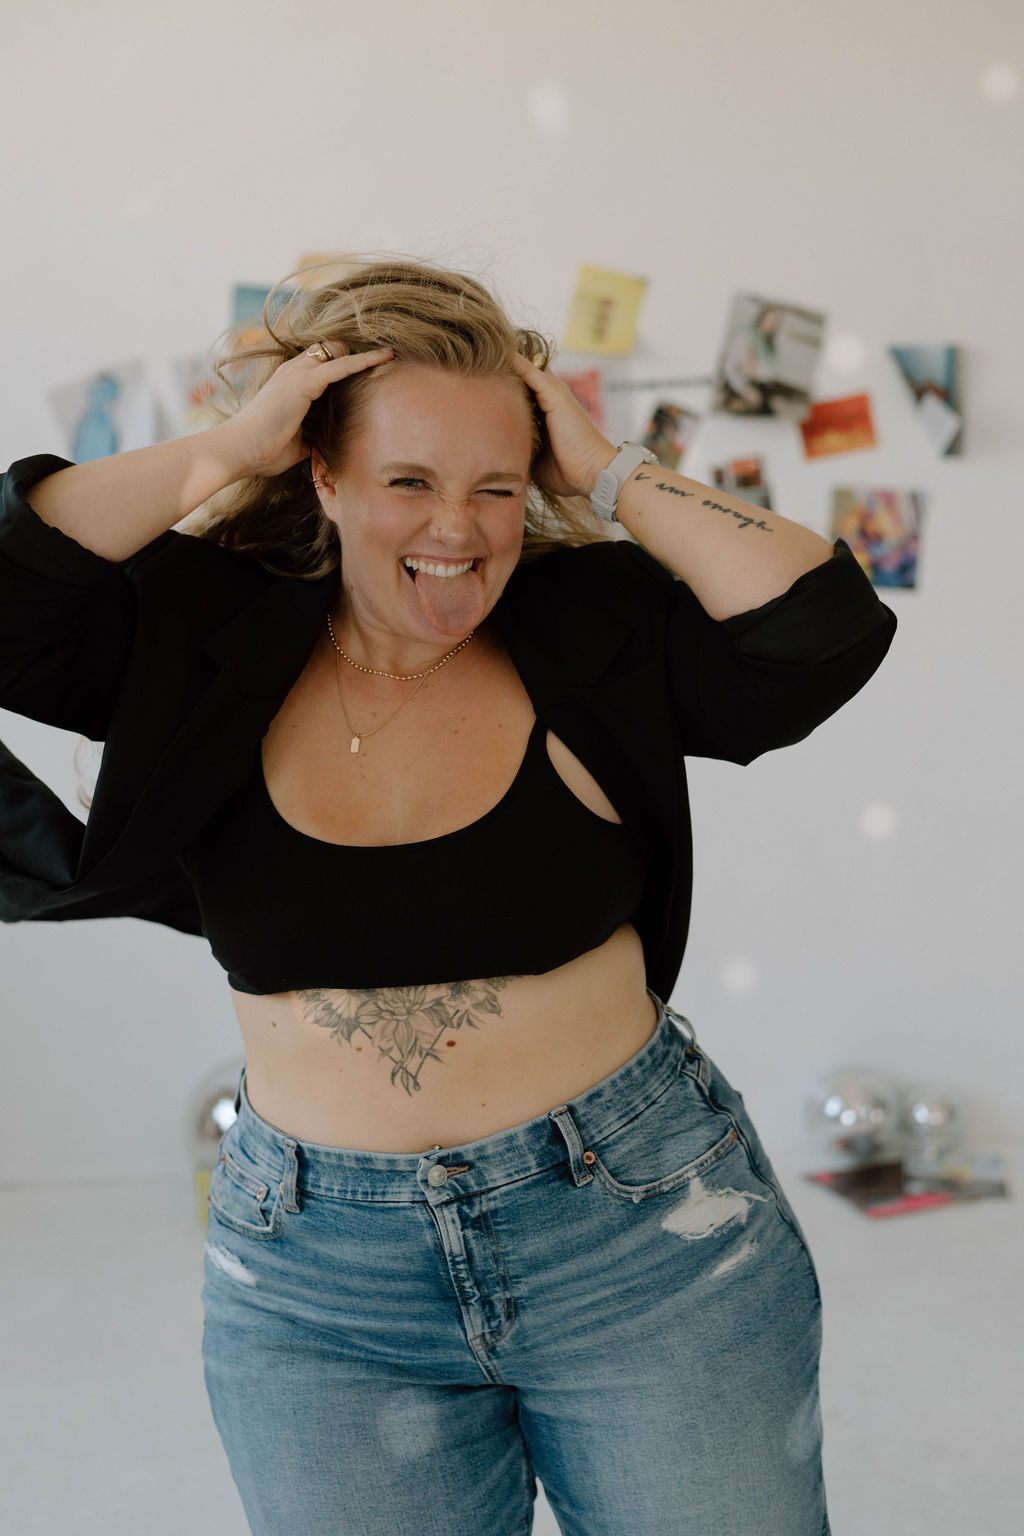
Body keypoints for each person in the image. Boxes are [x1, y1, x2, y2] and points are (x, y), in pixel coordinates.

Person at [0, 257, 897, 1536]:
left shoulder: (594, 626)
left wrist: (605, 469)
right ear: (322, 475)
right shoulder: (195, 633)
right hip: (317, 1280)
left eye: (494, 486)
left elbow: (820, 626)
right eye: (408, 481)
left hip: (644, 1233)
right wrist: (227, 448)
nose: (457, 530)